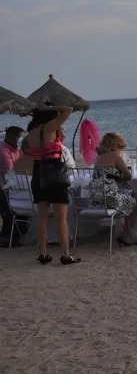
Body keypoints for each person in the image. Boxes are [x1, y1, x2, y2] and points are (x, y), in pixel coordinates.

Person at [26, 105, 80, 264]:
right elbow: (69, 109)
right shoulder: (49, 128)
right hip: (54, 172)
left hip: (38, 173)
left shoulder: (31, 133)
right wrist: (49, 107)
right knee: (61, 217)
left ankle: (43, 253)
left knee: (41, 216)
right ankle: (66, 254)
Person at [92, 133, 137, 245]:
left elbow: (109, 177)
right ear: (114, 146)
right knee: (136, 202)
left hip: (98, 198)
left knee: (135, 193)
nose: (120, 151)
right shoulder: (114, 156)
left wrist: (119, 177)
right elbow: (128, 175)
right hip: (110, 199)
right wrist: (121, 175)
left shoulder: (99, 157)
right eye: (120, 148)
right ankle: (129, 234)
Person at [0, 126, 26, 247]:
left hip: (13, 184)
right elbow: (9, 171)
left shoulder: (16, 149)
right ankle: (8, 236)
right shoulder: (3, 151)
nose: (19, 140)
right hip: (4, 186)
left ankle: (20, 231)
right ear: (10, 136)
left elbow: (23, 164)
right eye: (18, 137)